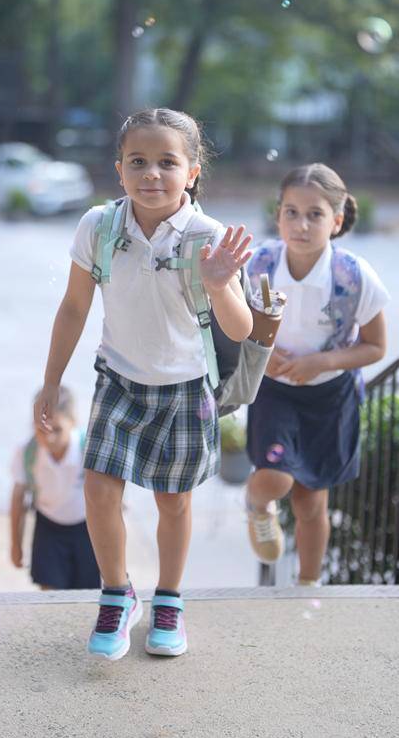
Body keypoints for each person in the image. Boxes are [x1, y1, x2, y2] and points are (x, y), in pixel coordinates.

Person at [34, 108, 253, 660]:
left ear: (192, 172)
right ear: (119, 169)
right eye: (138, 161)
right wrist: (50, 381)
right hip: (119, 379)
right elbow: (74, 307)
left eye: (167, 162)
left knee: (173, 502)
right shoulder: (100, 226)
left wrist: (219, 284)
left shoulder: (208, 237)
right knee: (98, 489)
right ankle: (117, 594)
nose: (151, 173)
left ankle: (169, 600)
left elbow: (240, 329)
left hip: (184, 387)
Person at [245, 163, 389, 585]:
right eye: (291, 212)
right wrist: (261, 352)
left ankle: (307, 588)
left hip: (329, 397)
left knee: (311, 503)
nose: (301, 224)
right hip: (274, 391)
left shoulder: (353, 276)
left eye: (315, 214)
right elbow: (233, 326)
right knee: (274, 478)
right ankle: (257, 506)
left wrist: (321, 362)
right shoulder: (258, 265)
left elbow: (376, 347)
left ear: (337, 221)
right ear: (278, 215)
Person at [10, 385, 100, 591]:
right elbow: (18, 499)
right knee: (50, 595)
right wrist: (16, 544)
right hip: (48, 527)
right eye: (41, 430)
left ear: (73, 422)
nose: (49, 438)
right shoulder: (28, 452)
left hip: (88, 529)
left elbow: (111, 499)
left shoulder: (88, 450)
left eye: (57, 430)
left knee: (88, 594)